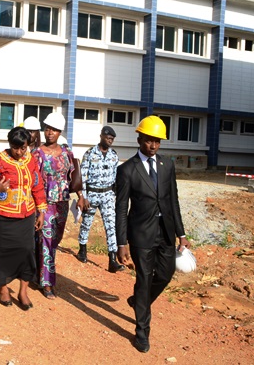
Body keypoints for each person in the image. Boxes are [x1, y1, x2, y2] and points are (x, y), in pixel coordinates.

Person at [115, 115, 190, 353]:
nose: (153, 145)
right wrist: (121, 242)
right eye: (149, 140)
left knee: (166, 275)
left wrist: (181, 233)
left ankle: (138, 301)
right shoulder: (127, 170)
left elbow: (173, 201)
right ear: (139, 139)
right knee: (144, 279)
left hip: (165, 232)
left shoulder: (167, 165)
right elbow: (121, 207)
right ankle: (142, 333)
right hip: (141, 235)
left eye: (157, 141)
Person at [0, 126, 47, 310]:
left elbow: (37, 185)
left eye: (23, 148)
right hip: (1, 215)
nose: (19, 152)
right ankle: (3, 288)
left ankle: (23, 291)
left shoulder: (31, 160)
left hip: (26, 215)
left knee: (26, 250)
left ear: (28, 145)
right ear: (9, 143)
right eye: (15, 147)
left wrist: (41, 211)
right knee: (0, 251)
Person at [32, 113, 78, 299]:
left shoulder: (67, 153)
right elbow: (33, 180)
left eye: (54, 129)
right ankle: (47, 282)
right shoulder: (37, 153)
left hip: (62, 203)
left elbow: (74, 177)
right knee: (47, 242)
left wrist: (81, 196)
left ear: (60, 132)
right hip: (44, 203)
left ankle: (37, 270)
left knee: (54, 241)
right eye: (47, 128)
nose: (49, 132)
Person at [77, 125, 125, 273]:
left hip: (107, 195)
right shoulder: (90, 153)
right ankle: (82, 250)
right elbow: (82, 176)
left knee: (111, 226)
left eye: (112, 139)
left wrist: (115, 195)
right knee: (86, 223)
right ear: (101, 136)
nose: (110, 141)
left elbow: (117, 177)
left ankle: (112, 260)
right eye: (108, 138)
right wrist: (83, 197)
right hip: (91, 194)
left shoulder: (114, 155)